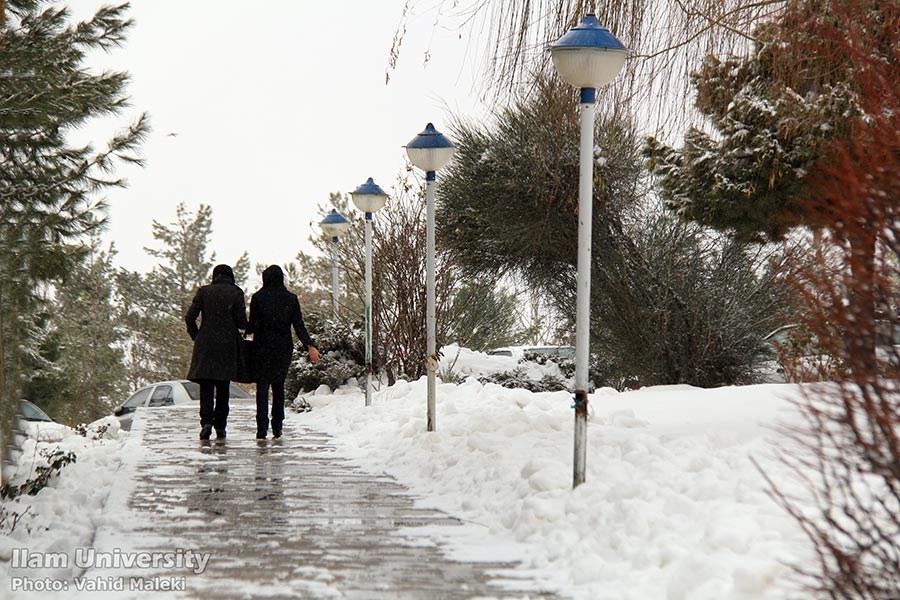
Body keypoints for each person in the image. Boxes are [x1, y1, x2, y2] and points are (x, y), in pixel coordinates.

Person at [247, 265, 320, 439]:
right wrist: (309, 345)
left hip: (262, 348)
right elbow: (298, 325)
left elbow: (252, 326)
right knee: (279, 386)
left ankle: (261, 428)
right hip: (283, 348)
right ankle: (277, 426)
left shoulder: (258, 298)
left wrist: (242, 330)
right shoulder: (291, 299)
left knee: (262, 387)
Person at [185, 264, 248, 440]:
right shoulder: (236, 293)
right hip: (227, 346)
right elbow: (242, 322)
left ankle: (206, 422)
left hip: (205, 344)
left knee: (206, 386)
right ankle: (220, 426)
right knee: (223, 387)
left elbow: (189, 317)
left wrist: (196, 335)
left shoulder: (204, 292)